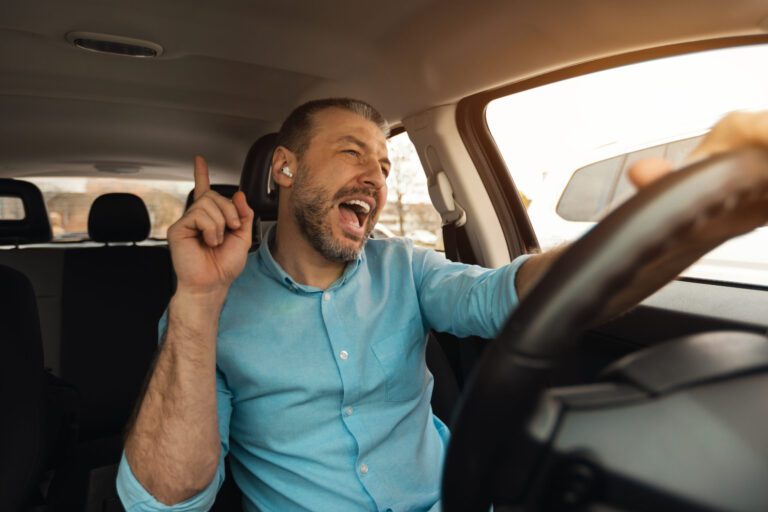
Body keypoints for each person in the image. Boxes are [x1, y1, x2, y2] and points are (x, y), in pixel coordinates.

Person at [116, 98, 768, 511]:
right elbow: (166, 500)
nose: (375, 177)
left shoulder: (405, 267)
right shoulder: (207, 312)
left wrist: (683, 227)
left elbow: (518, 295)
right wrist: (198, 299)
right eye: (351, 153)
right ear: (284, 169)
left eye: (383, 164)